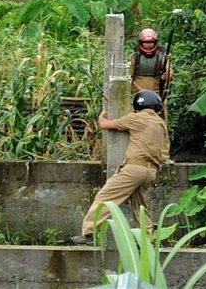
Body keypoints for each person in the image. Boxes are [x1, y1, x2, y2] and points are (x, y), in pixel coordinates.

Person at [70, 90, 169, 244]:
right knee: (140, 207)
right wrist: (113, 100)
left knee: (105, 197)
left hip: (133, 169)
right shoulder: (161, 124)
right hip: (151, 171)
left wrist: (102, 115)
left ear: (138, 105)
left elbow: (106, 125)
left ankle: (89, 233)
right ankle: (148, 240)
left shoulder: (135, 118)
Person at [129, 28, 171, 119]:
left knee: (160, 120)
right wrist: (141, 90)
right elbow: (130, 78)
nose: (148, 45)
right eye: (146, 42)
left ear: (155, 42)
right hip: (139, 94)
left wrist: (166, 77)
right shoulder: (135, 57)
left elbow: (170, 76)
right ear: (141, 42)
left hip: (158, 95)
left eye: (150, 42)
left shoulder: (163, 57)